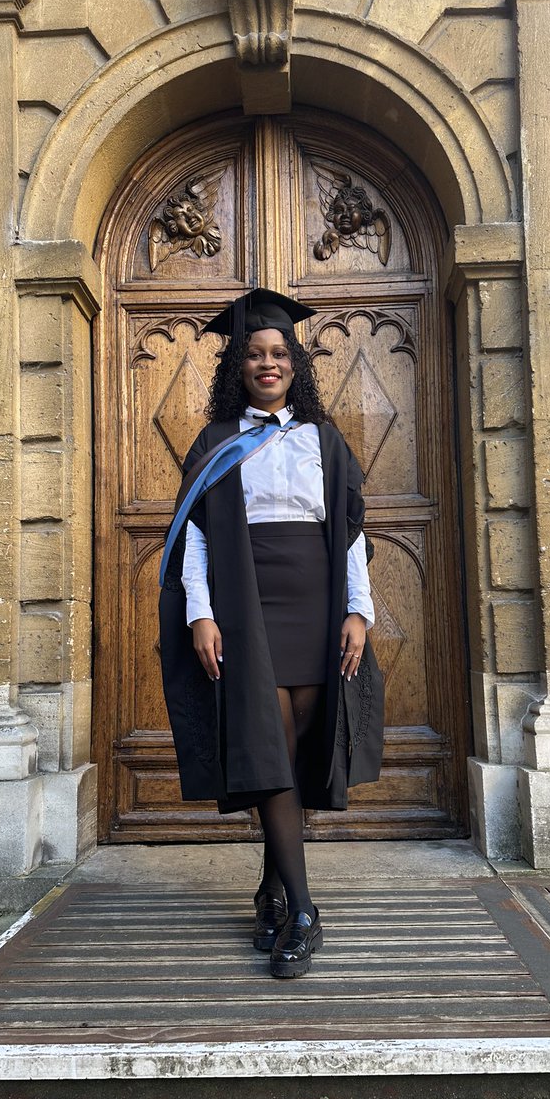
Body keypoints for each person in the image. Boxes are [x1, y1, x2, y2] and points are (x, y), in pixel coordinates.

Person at [158, 289, 384, 978]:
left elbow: (349, 534)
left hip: (315, 603)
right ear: (239, 366)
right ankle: (306, 911)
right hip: (247, 604)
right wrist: (201, 611)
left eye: (279, 353)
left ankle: (271, 887)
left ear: (296, 364)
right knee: (269, 747)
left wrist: (359, 611)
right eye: (256, 354)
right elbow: (194, 536)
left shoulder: (325, 440)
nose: (268, 363)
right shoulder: (216, 442)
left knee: (294, 751)